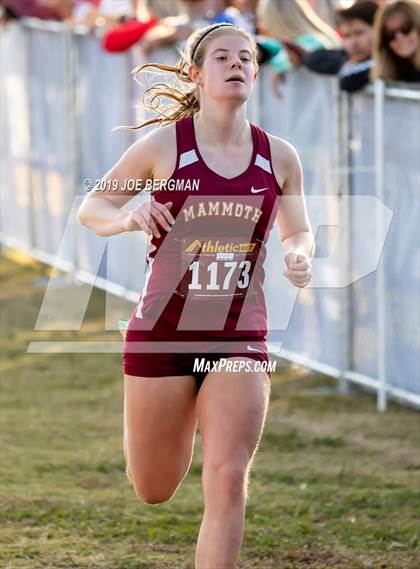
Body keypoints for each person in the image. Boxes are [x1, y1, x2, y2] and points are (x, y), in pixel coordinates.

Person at [77, 22, 314, 568]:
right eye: (223, 57)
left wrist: (300, 253)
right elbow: (93, 208)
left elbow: (297, 228)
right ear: (196, 74)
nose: (237, 64)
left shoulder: (279, 157)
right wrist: (129, 216)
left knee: (228, 477)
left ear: (255, 72)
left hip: (238, 333)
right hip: (162, 331)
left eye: (246, 58)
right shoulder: (165, 146)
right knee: (153, 485)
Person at [256, 0, 341, 97]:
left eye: (264, 19)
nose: (261, 24)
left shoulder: (310, 41)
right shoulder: (323, 35)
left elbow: (303, 55)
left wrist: (279, 66)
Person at [292, 0, 380, 93]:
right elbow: (313, 58)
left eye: (359, 33)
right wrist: (344, 64)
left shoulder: (385, 61)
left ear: (379, 30)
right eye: (347, 36)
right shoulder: (347, 56)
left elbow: (348, 82)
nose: (352, 43)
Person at [371, 0, 420, 83]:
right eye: (390, 34)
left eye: (405, 28)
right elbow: (347, 81)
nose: (399, 38)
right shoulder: (390, 70)